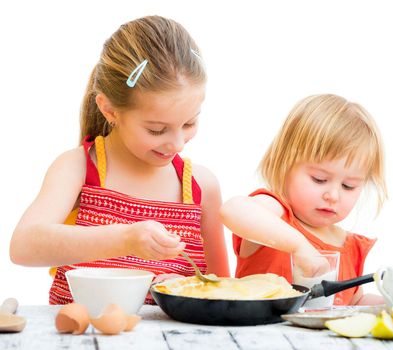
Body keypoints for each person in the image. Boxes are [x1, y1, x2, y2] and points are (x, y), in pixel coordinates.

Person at [9, 15, 229, 305]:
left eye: (189, 124)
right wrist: (126, 238)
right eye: (156, 129)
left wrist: (186, 287)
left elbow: (225, 289)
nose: (177, 143)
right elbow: (23, 246)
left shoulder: (201, 186)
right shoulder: (79, 168)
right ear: (109, 109)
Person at [221, 94, 386, 305]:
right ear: (284, 164)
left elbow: (354, 303)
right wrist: (299, 246)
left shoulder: (350, 247)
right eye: (319, 179)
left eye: (348, 186)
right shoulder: (275, 214)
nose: (333, 195)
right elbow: (233, 210)